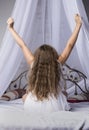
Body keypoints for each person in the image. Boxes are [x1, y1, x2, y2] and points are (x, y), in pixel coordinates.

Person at [7, 14, 82, 114]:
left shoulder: (33, 63)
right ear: (53, 55)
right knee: (64, 93)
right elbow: (70, 45)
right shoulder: (58, 64)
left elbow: (22, 45)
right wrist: (78, 25)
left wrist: (11, 28)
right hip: (56, 106)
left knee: (26, 96)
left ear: (37, 57)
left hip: (33, 106)